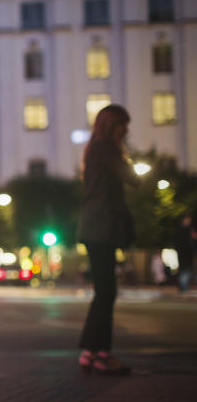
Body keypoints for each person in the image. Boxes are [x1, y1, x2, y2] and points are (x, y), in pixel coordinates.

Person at [76, 104, 134, 376]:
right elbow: (131, 178)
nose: (127, 130)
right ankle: (102, 354)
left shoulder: (93, 149)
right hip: (103, 227)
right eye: (124, 125)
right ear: (113, 125)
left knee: (103, 291)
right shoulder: (107, 149)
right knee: (106, 292)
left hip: (92, 227)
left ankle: (90, 351)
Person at [175, 215, 194, 292]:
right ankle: (183, 288)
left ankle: (183, 288)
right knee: (184, 271)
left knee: (185, 271)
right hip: (184, 254)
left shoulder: (188, 230)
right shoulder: (183, 231)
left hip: (186, 254)